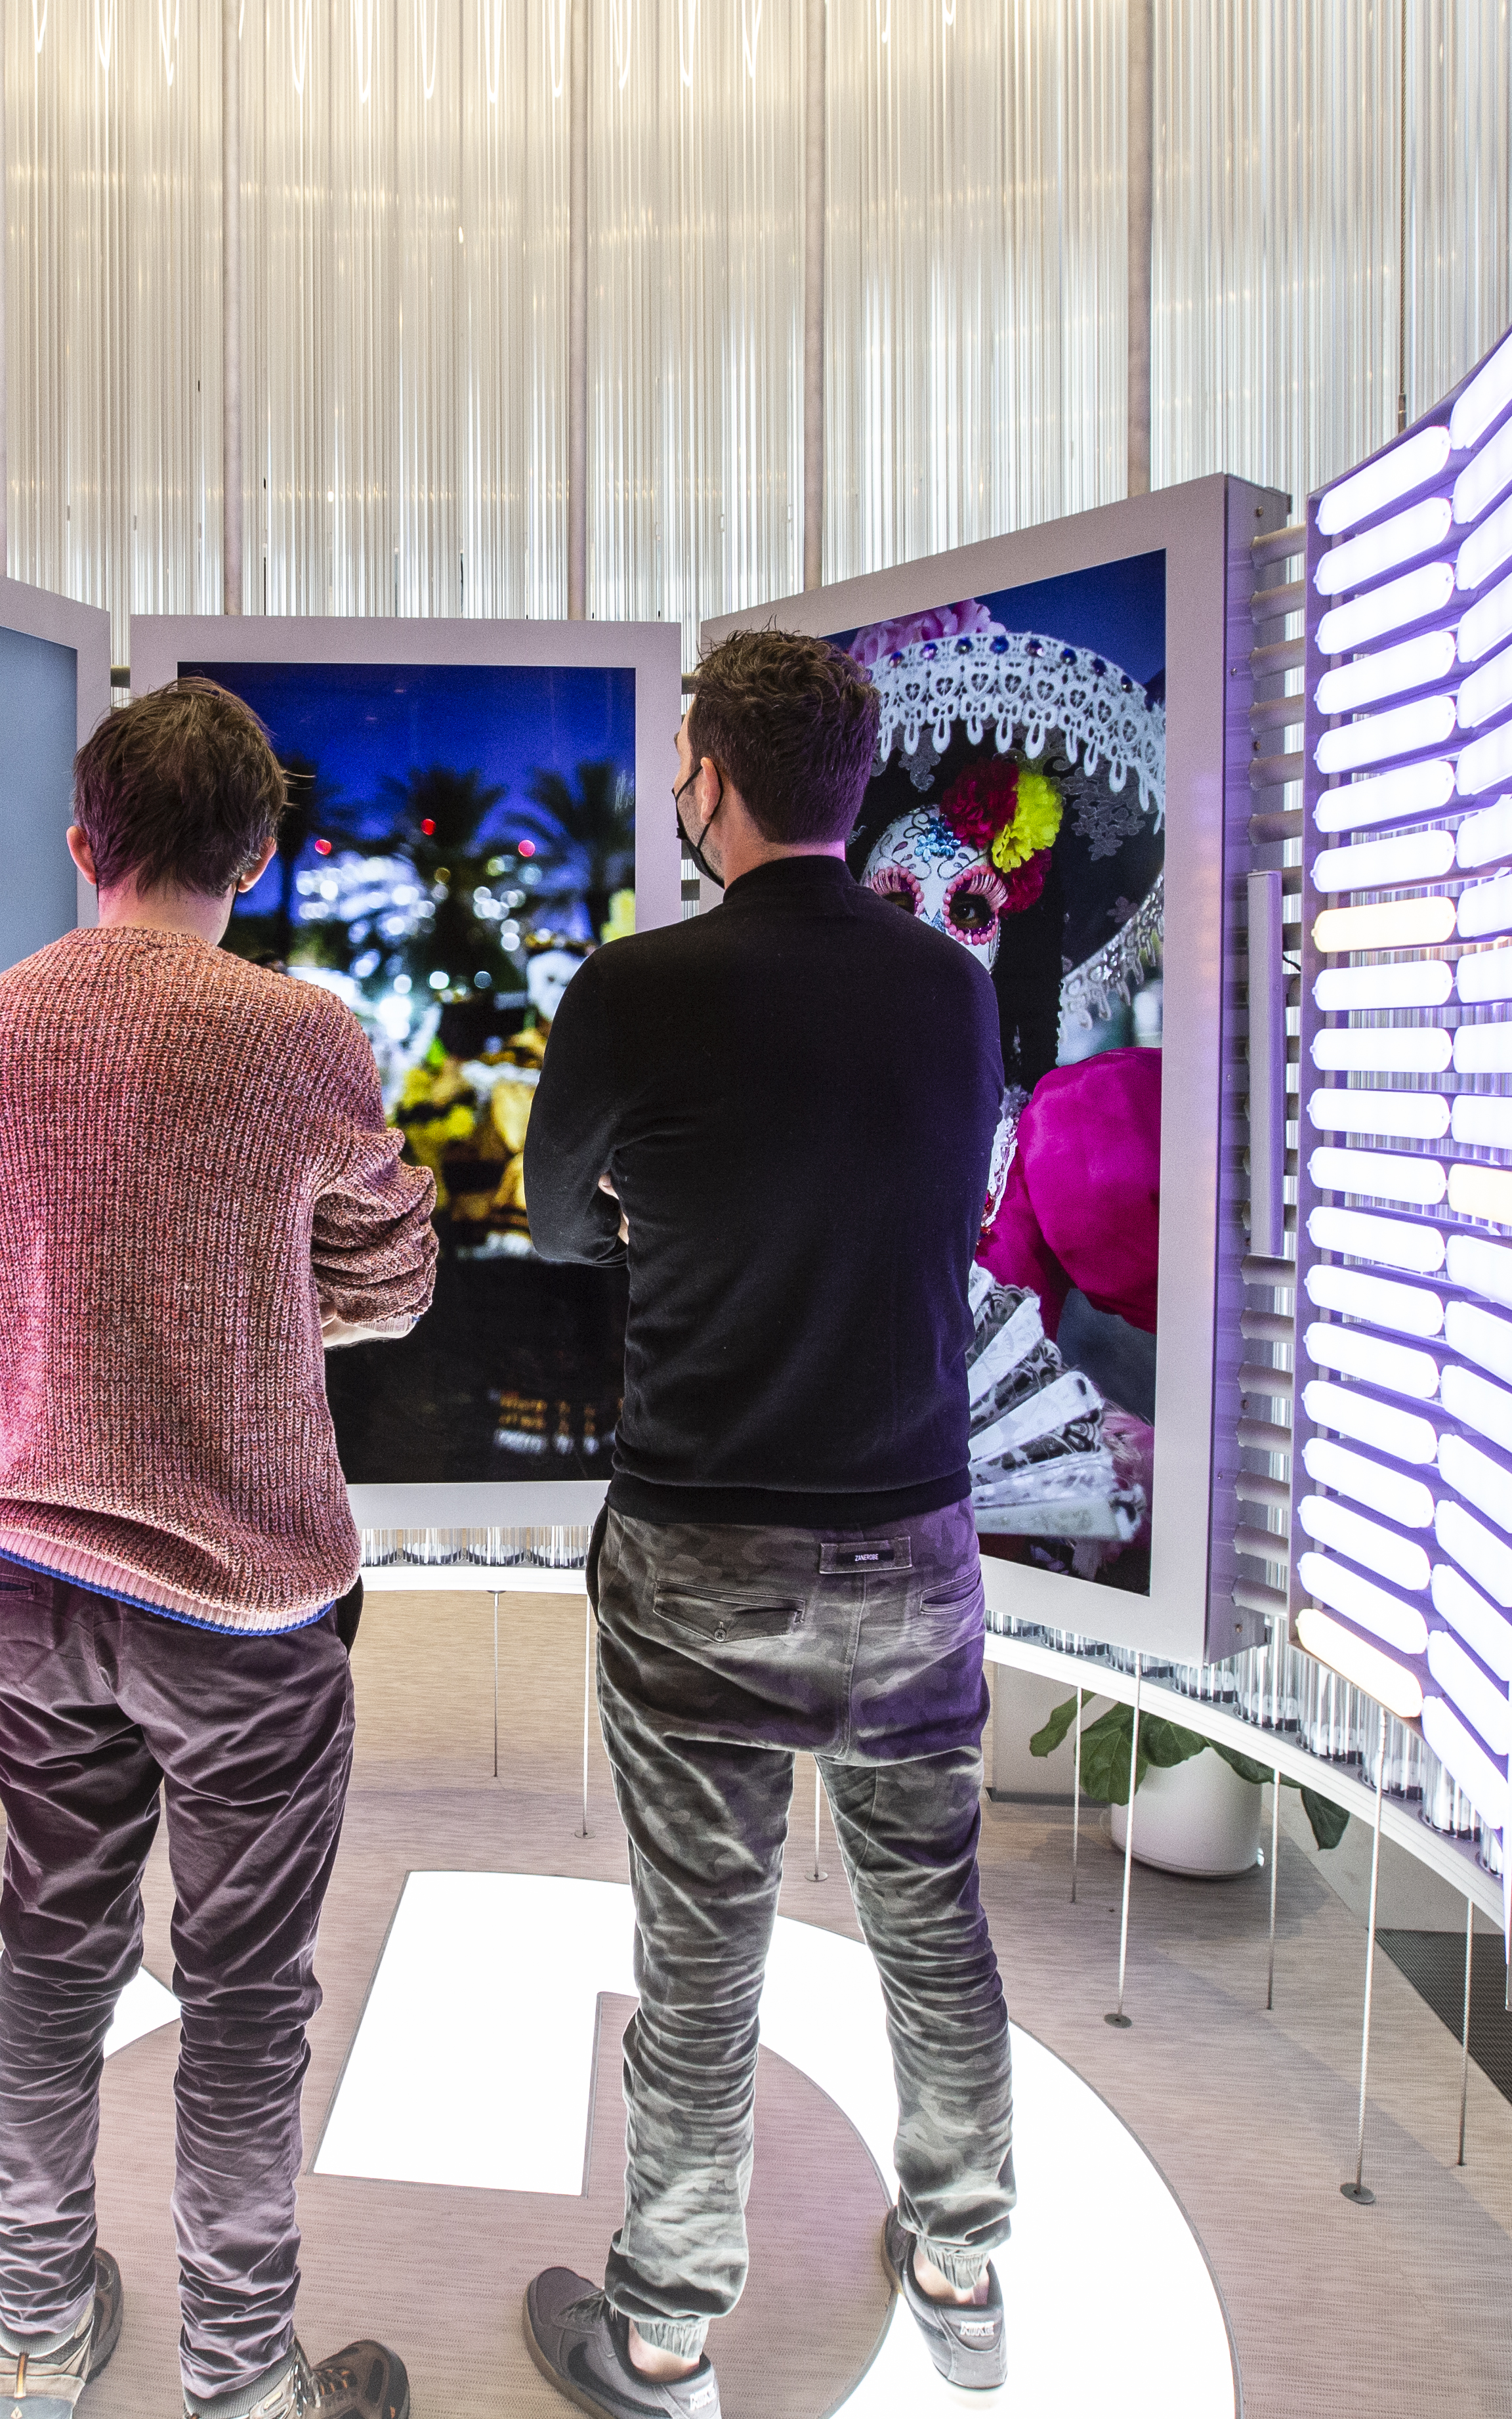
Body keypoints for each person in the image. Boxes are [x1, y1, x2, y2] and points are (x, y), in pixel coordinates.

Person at [514, 628, 1019, 2414]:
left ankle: (663, 2331)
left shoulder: (635, 990)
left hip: (699, 1544)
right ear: (856, 789)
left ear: (712, 783)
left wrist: (671, 1209)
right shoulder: (953, 990)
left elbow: (561, 1222)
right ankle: (964, 2266)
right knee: (930, 1915)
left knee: (701, 1946)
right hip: (914, 1540)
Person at [0, 677, 440, 2419]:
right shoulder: (298, 1038)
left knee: (52, 1959)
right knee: (240, 2008)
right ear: (262, 853)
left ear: (88, 846)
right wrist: (266, 1295)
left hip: (36, 1589)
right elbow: (390, 1285)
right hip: (243, 1607)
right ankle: (240, 2384)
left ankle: (33, 2336)